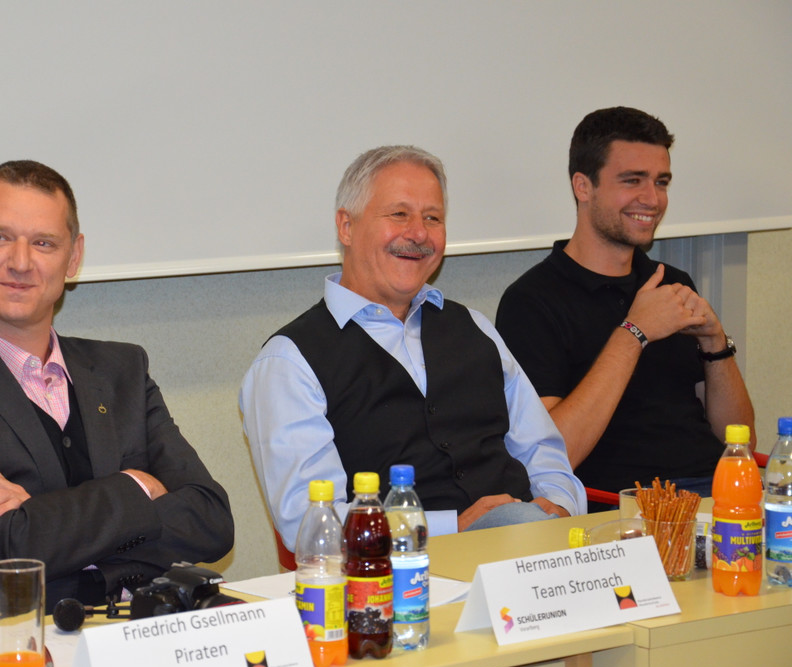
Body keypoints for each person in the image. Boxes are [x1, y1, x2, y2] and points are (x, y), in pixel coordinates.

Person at [0, 160, 234, 631]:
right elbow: (4, 549)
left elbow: (210, 520)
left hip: (134, 635)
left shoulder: (122, 370)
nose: (20, 262)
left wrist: (37, 516)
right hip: (1, 647)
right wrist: (137, 487)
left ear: (74, 257)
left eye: (44, 243)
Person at [240, 145, 585, 549]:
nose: (419, 233)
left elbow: (544, 452)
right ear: (346, 227)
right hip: (396, 574)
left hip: (524, 551)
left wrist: (559, 507)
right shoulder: (288, 363)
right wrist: (451, 526)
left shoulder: (475, 328)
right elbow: (311, 523)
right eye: (399, 214)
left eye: (432, 218)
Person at [496, 107, 755, 500]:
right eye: (632, 180)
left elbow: (741, 442)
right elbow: (552, 455)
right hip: (619, 508)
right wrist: (634, 332)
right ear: (583, 186)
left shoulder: (672, 283)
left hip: (713, 497)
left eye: (661, 182)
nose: (652, 199)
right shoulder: (531, 302)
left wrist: (716, 344)